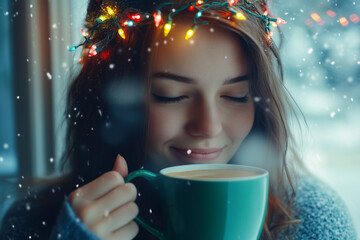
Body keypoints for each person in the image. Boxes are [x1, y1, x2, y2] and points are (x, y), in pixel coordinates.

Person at [0, 0, 357, 239]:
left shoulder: (311, 221)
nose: (209, 127)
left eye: (235, 96)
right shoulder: (32, 223)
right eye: (171, 96)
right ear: (108, 102)